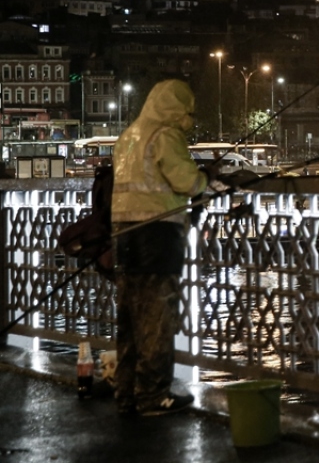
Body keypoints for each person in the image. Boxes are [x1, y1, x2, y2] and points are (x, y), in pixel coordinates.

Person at [110, 79, 211, 416]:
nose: (190, 118)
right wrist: (206, 181)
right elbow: (186, 181)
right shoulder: (164, 135)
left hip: (123, 233)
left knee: (128, 316)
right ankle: (153, 395)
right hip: (157, 233)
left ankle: (126, 392)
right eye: (188, 111)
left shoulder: (128, 136)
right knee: (156, 317)